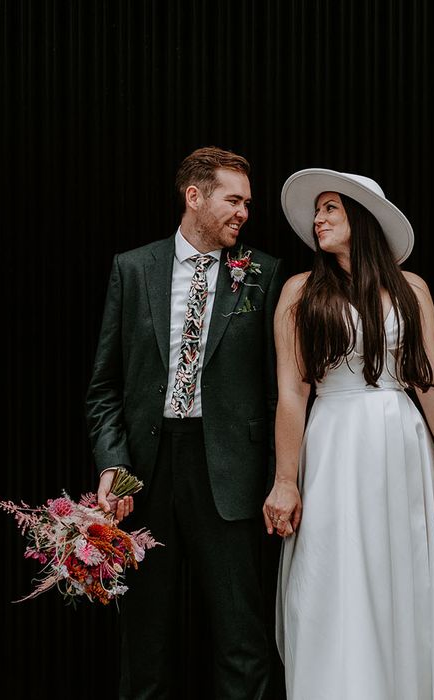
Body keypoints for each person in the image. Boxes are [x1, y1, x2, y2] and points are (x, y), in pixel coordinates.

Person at [264, 168, 434, 699]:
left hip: (400, 443)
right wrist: (286, 480)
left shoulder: (410, 288)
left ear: (363, 218)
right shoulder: (299, 292)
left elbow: (431, 378)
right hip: (333, 444)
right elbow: (293, 392)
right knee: (336, 569)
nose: (318, 218)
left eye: (331, 207)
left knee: (405, 572)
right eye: (318, 209)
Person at [85, 146, 286, 699]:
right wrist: (114, 466)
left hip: (230, 472)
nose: (245, 212)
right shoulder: (133, 267)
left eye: (249, 202)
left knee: (241, 637)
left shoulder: (263, 274)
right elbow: (104, 387)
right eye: (233, 199)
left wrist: (281, 477)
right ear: (193, 197)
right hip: (147, 473)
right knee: (144, 638)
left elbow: (278, 392)